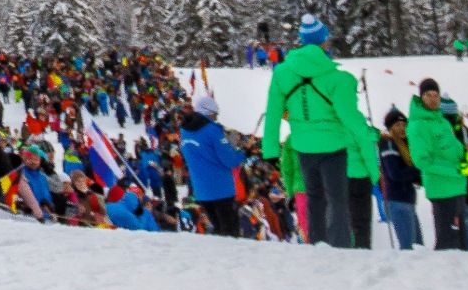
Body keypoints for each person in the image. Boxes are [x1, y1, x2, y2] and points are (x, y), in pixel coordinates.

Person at [258, 15, 377, 248]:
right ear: (324, 41)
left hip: (302, 143)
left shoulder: (283, 73)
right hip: (334, 145)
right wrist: (371, 155)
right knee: (338, 200)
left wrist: (270, 150)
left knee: (314, 198)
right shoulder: (337, 78)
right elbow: (351, 120)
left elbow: (272, 113)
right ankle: (340, 247)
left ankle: (317, 246)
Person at [178, 92, 248, 236]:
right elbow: (230, 160)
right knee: (230, 233)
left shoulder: (185, 131)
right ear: (209, 113)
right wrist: (242, 152)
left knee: (218, 231)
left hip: (202, 190)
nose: (215, 118)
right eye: (215, 115)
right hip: (221, 189)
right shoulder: (212, 131)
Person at [376, 111, 425, 251]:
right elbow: (395, 173)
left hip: (407, 200)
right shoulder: (389, 145)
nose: (402, 128)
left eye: (404, 124)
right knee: (409, 248)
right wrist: (418, 169)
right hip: (397, 200)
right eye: (397, 125)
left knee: (418, 246)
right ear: (390, 128)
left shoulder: (404, 146)